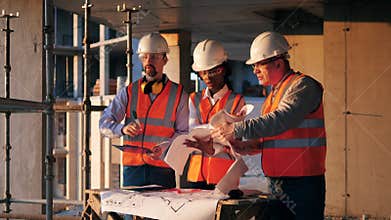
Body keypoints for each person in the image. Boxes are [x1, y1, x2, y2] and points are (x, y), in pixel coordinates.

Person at [212, 31, 326, 220]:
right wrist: (246, 146)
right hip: (278, 183)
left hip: (303, 184)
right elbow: (274, 139)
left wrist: (237, 128)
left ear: (278, 63)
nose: (254, 70)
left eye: (259, 65)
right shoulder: (273, 95)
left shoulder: (303, 86)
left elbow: (282, 119)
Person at [99, 33, 189, 189]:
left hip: (163, 169)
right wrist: (122, 128)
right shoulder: (129, 92)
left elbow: (184, 133)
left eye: (154, 57)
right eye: (144, 57)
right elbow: (103, 124)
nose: (148, 62)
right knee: (132, 212)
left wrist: (165, 146)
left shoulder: (179, 94)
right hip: (132, 169)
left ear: (165, 59)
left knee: (160, 213)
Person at [183, 39, 245, 189]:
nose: (207, 77)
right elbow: (192, 131)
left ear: (223, 69)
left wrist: (207, 136)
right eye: (203, 73)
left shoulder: (236, 101)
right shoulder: (194, 99)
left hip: (224, 175)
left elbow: (234, 140)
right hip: (196, 174)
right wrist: (217, 133)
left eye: (213, 71)